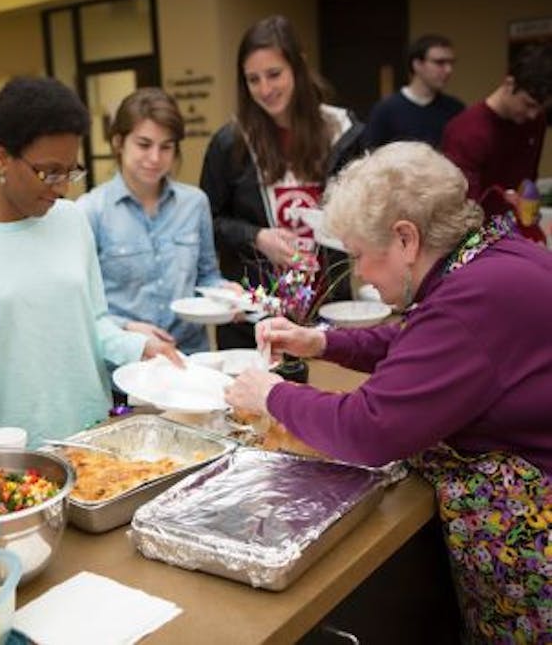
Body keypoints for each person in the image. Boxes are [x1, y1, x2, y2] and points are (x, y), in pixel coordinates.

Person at [225, 142, 552, 643]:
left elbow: (369, 428)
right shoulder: (488, 256)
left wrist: (270, 394)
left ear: (405, 239)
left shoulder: (468, 302)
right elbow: (420, 341)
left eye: (359, 255)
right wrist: (322, 341)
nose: (359, 273)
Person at [0, 76, 180, 457]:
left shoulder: (73, 222)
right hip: (9, 456)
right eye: (49, 172)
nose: (62, 187)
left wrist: (138, 347)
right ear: (1, 158)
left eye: (71, 171)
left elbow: (94, 323)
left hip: (94, 440)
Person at [200, 15, 364, 348]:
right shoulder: (230, 142)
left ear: (298, 67)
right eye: (253, 79)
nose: (265, 89)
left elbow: (367, 213)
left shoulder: (343, 131)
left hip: (327, 309)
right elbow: (207, 223)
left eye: (274, 74)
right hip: (253, 316)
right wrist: (256, 236)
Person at [77, 87, 235, 354]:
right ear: (118, 142)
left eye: (166, 147)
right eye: (144, 144)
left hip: (191, 357)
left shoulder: (195, 203)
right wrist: (125, 327)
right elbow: (82, 305)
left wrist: (227, 294)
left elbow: (207, 277)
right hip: (129, 360)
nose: (155, 158)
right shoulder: (90, 211)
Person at [442, 43, 552, 245]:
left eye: (540, 108)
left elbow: (529, 179)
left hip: (518, 229)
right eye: (528, 104)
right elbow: (462, 211)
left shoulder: (536, 121)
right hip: (475, 238)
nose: (532, 114)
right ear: (509, 83)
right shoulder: (466, 131)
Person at [363, 34, 464, 149]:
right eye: (439, 63)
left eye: (451, 63)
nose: (448, 70)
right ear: (417, 65)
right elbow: (371, 156)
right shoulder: (386, 109)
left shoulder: (455, 109)